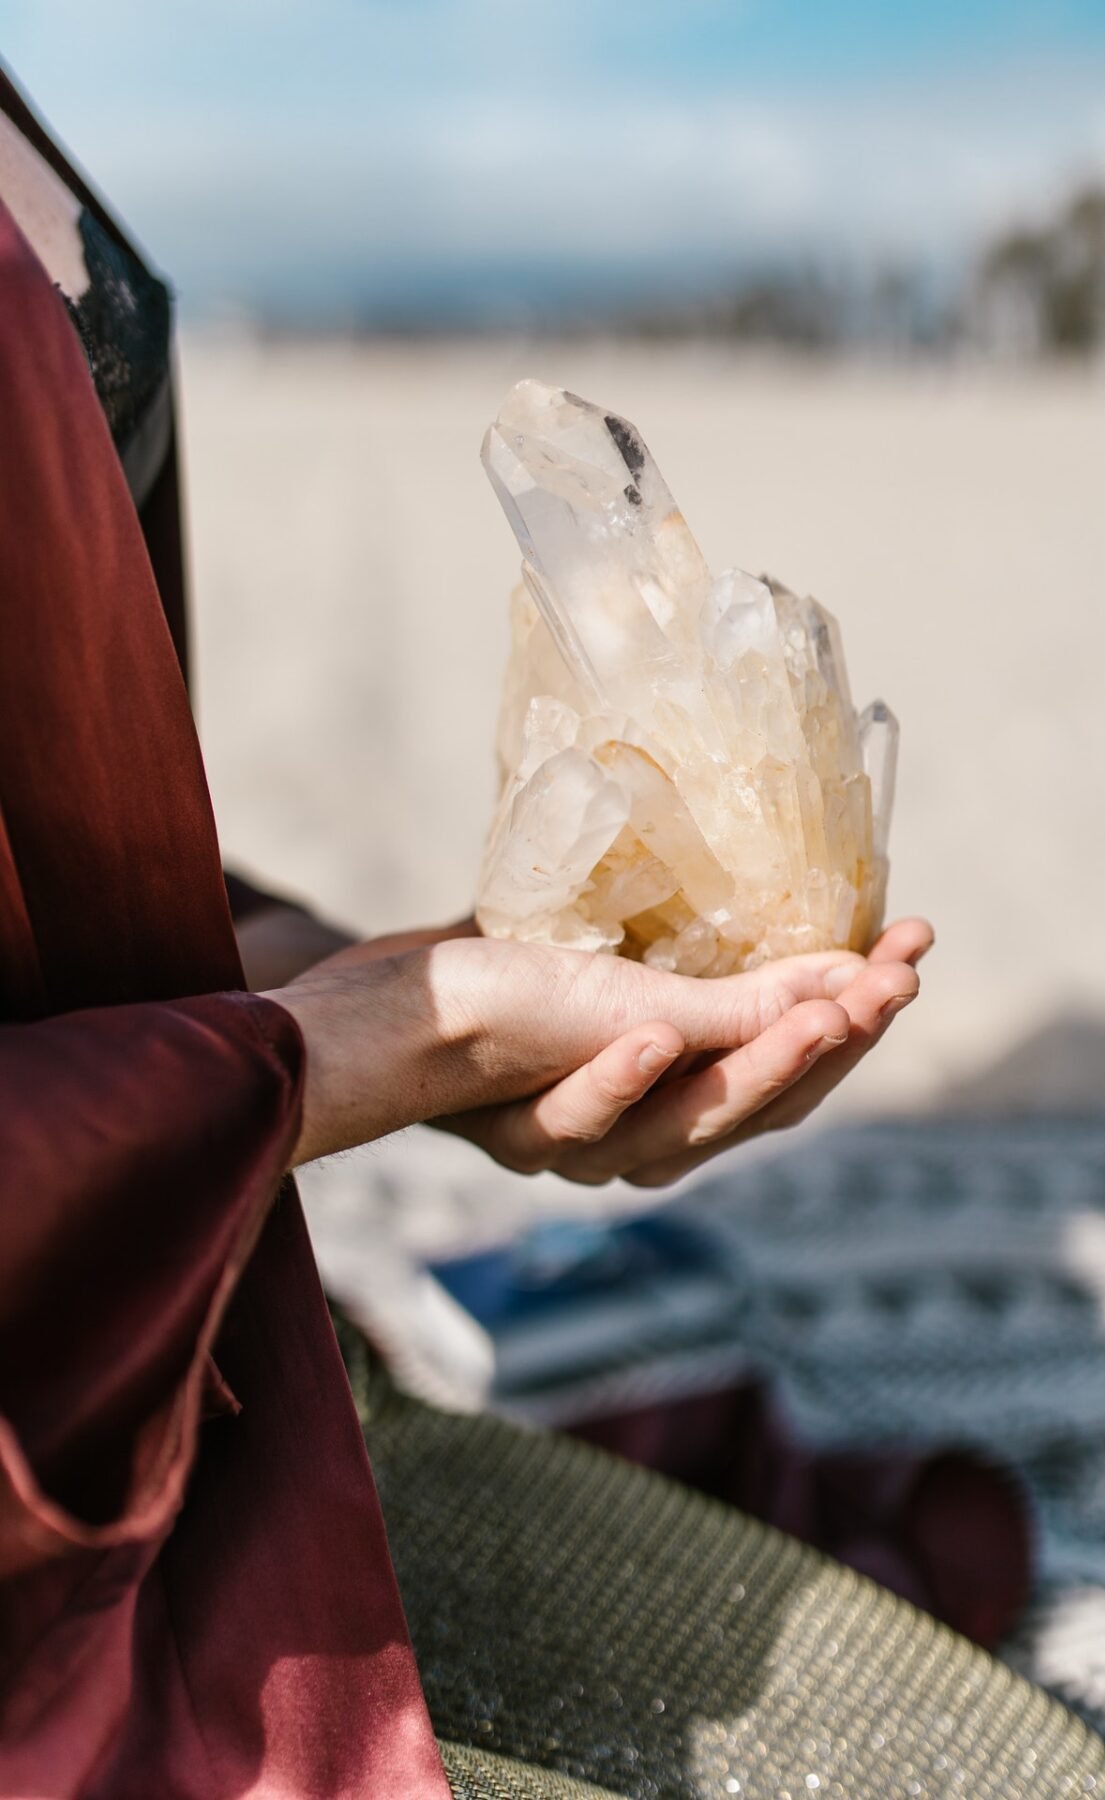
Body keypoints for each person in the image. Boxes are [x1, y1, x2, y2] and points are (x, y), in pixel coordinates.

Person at [0, 64, 953, 1799]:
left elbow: (55, 876)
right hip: (45, 1577)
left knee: (984, 1742)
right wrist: (384, 1043)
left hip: (173, 1349)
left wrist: (388, 972)